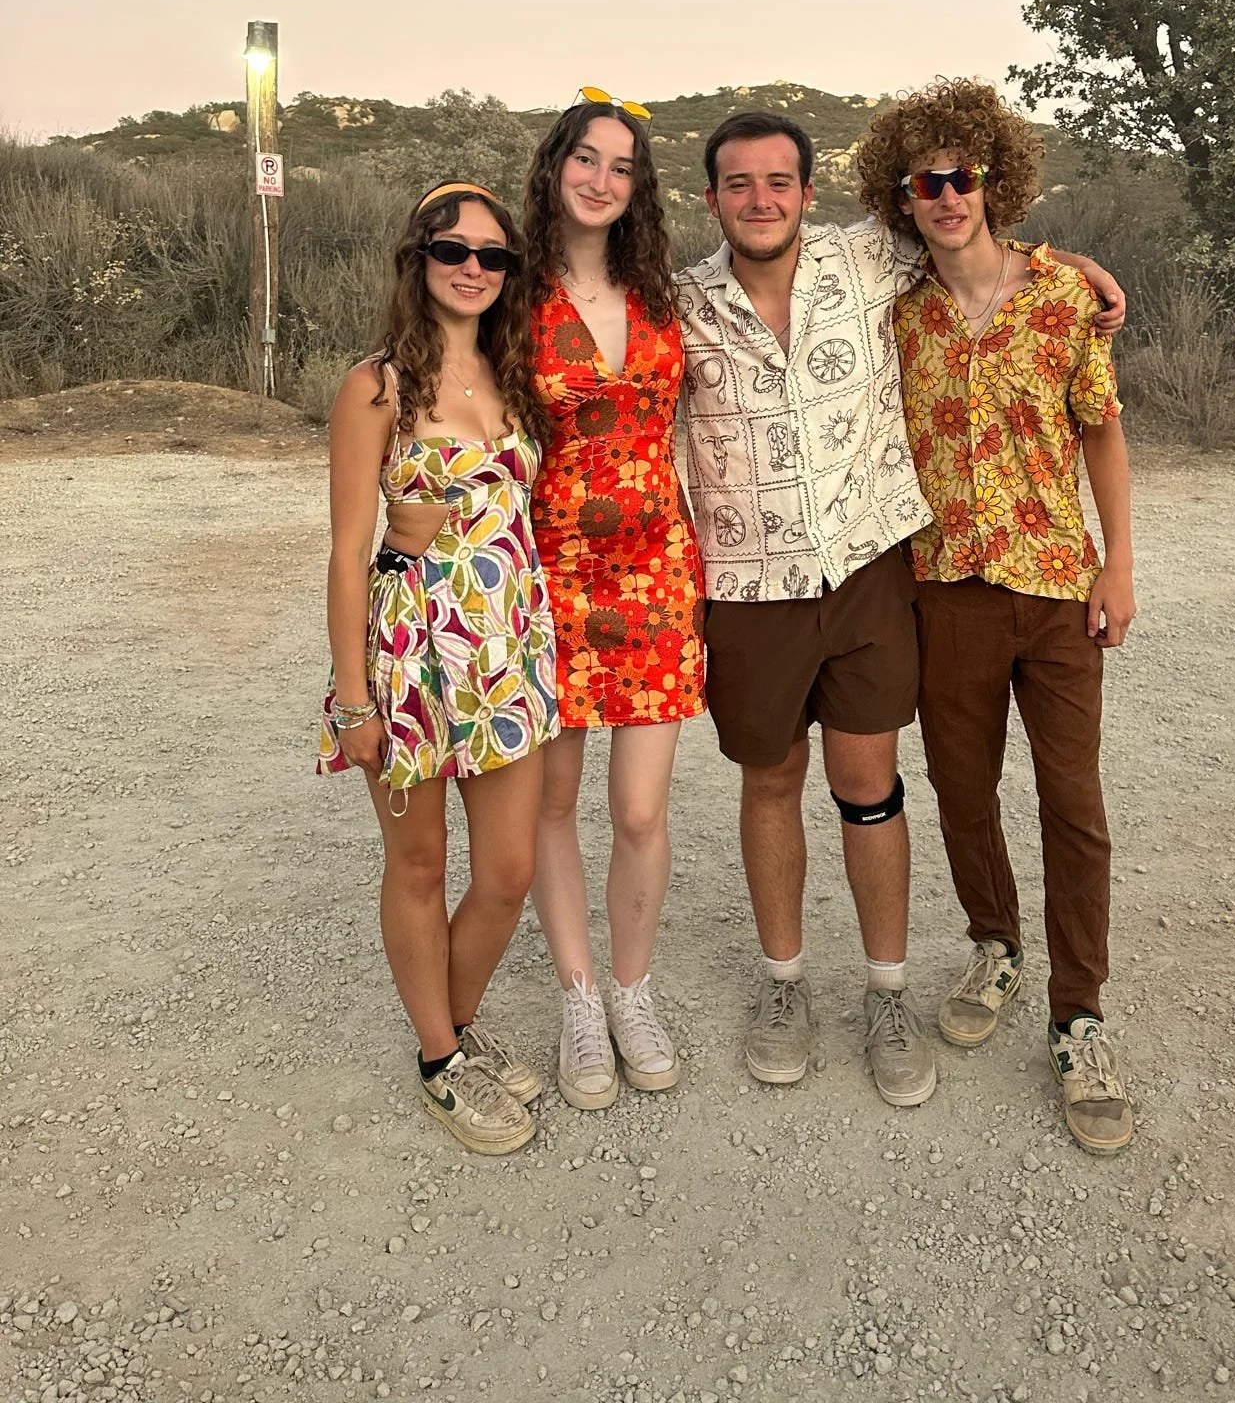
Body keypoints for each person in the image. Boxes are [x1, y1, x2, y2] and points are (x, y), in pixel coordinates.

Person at [676, 109, 1125, 1109]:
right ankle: (789, 985)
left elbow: (981, 243)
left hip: (877, 571)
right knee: (778, 782)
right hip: (754, 585)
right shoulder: (680, 303)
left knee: (874, 785)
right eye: (740, 183)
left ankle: (898, 996)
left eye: (780, 181)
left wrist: (1072, 265)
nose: (760, 199)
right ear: (711, 199)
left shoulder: (864, 262)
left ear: (809, 193)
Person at [856, 80, 1136, 1154]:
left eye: (960, 175)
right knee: (962, 789)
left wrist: (1119, 565)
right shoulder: (894, 311)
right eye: (922, 182)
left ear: (992, 180)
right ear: (902, 197)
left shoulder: (1061, 296)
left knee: (1074, 802)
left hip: (1058, 587)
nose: (944, 196)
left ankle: (1079, 1016)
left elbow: (1100, 429)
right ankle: (995, 946)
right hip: (944, 590)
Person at [319, 182, 559, 1156]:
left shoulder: (518, 372)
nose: (472, 267)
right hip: (410, 653)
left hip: (507, 652)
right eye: (452, 249)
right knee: (419, 865)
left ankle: (453, 1029)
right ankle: (440, 1060)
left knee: (508, 872)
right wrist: (352, 701)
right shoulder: (376, 387)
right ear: (417, 259)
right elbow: (348, 550)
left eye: (493, 255)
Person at [521, 91, 706, 1111]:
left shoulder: (666, 292)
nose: (600, 179)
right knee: (550, 804)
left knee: (639, 809)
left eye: (621, 166)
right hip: (549, 577)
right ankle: (580, 1000)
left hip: (657, 574)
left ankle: (633, 994)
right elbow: (427, 350)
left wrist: (1060, 263)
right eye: (586, 158)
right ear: (555, 166)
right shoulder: (510, 290)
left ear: (639, 188)